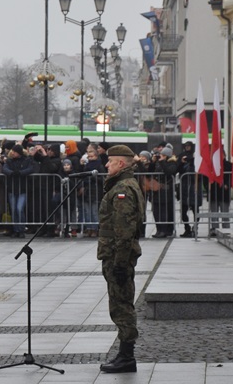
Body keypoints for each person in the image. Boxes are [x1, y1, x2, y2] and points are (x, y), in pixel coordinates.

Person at [97, 144, 145, 374]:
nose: (107, 165)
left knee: (121, 306)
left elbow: (124, 231)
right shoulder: (123, 185)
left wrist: (119, 263)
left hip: (118, 256)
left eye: (110, 161)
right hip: (116, 255)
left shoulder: (123, 190)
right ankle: (125, 354)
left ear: (121, 164)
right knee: (120, 304)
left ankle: (127, 356)